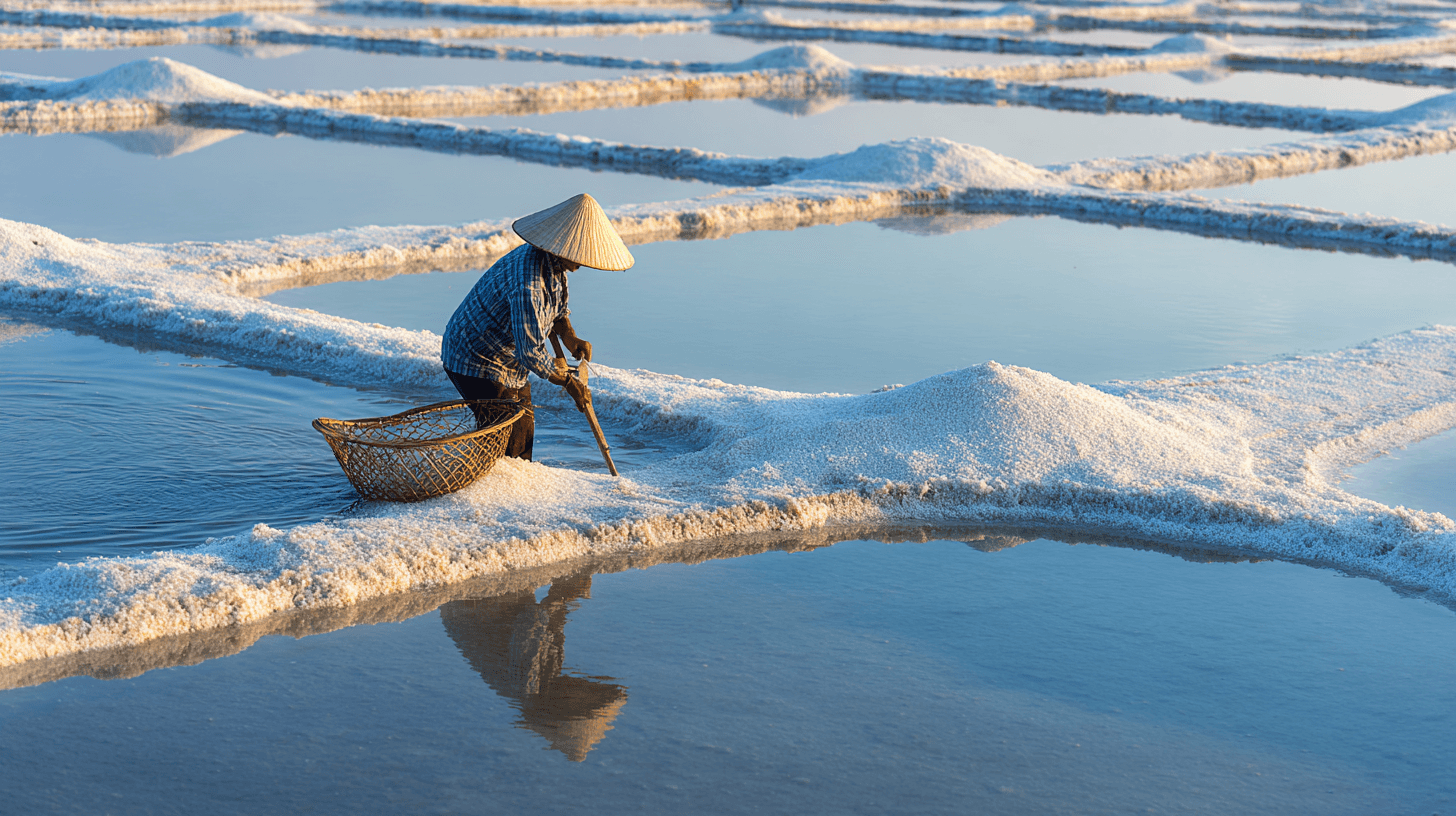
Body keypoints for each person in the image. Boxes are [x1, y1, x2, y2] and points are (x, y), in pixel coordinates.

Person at [440, 193, 634, 460]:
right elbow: (531, 354)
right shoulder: (527, 285)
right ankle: (488, 493)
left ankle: (511, 484)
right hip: (476, 359)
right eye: (577, 256)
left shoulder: (553, 264)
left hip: (508, 357)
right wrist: (568, 382)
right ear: (562, 247)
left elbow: (557, 309)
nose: (580, 264)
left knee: (522, 434)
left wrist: (570, 337)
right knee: (503, 438)